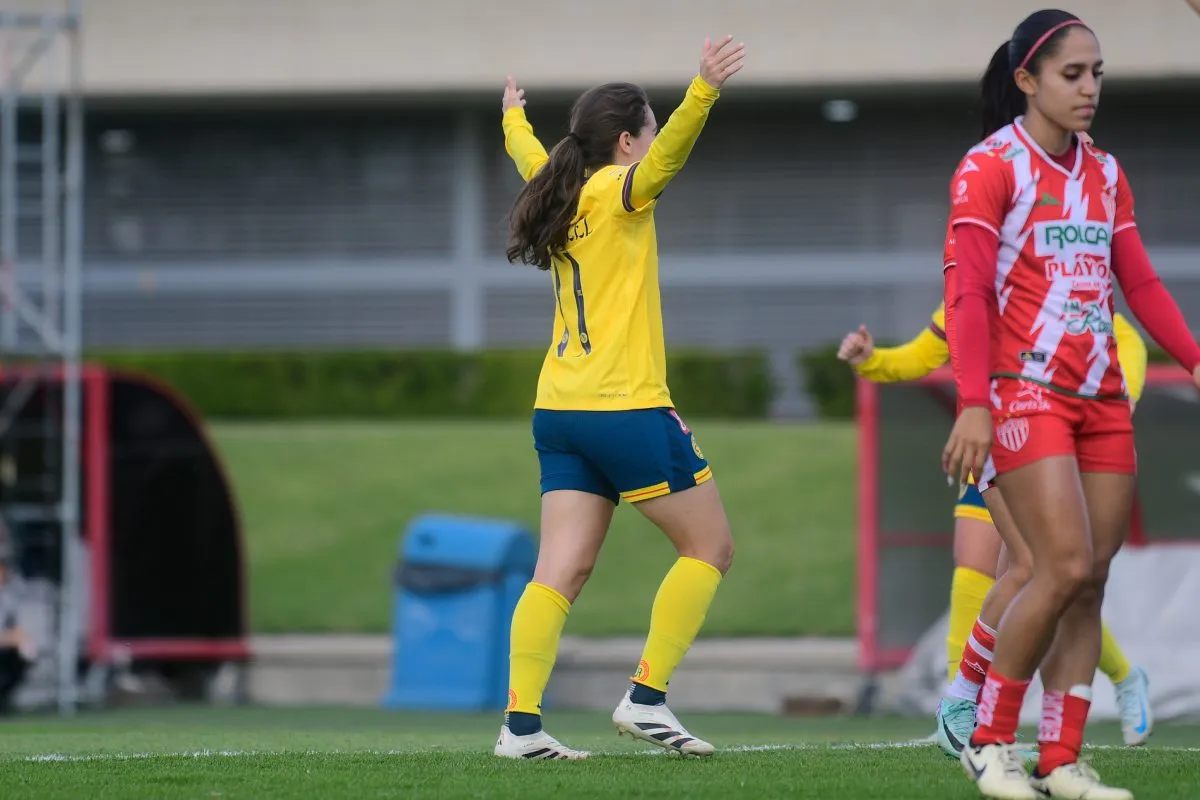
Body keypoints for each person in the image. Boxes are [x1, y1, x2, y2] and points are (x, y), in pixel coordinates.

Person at [941, 9, 1200, 799]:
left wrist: (1194, 358)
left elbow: (1141, 281)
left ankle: (1061, 760)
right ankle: (988, 741)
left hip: (1102, 398)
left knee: (1089, 578)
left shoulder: (1105, 171)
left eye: (1097, 75)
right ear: (1027, 80)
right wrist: (974, 402)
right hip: (1026, 393)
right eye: (1071, 74)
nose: (1089, 89)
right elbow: (968, 292)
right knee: (1054, 566)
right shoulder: (990, 167)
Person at [492, 36, 746, 760]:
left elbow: (529, 156)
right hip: (625, 407)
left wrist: (513, 120)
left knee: (559, 571)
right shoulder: (615, 189)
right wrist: (703, 90)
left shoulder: (558, 186)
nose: (657, 141)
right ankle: (647, 698)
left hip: (559, 413)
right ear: (628, 141)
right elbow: (664, 165)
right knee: (710, 547)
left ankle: (521, 727)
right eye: (652, 128)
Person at [837, 299, 1153, 756]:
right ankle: (962, 705)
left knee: (1042, 574)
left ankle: (1116, 679)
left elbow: (1124, 335)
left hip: (1048, 443)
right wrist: (873, 360)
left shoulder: (1052, 281)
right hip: (993, 436)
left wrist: (1118, 401)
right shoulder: (969, 282)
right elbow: (924, 353)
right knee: (984, 564)